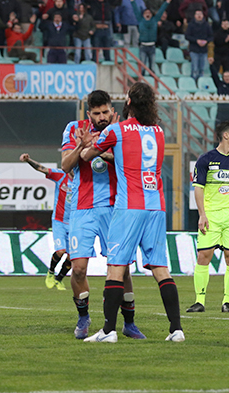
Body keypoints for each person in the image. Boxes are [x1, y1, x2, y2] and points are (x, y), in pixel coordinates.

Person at [78, 82, 184, 343]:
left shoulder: (117, 130)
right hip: (156, 205)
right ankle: (176, 330)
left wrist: (87, 144)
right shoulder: (158, 131)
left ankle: (108, 331)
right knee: (161, 268)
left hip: (129, 206)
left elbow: (87, 156)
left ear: (128, 103)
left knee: (116, 267)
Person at [61, 90, 145, 340]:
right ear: (89, 114)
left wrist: (98, 148)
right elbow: (65, 165)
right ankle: (83, 316)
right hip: (82, 209)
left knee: (122, 268)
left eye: (105, 112)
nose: (102, 117)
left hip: (115, 208)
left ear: (112, 110)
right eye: (96, 113)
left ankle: (129, 322)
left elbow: (130, 164)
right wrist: (81, 145)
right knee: (78, 269)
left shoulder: (122, 131)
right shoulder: (75, 128)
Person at [188, 120, 229, 314]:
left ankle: (227, 302)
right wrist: (202, 214)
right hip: (211, 216)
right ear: (226, 135)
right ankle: (199, 301)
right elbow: (198, 188)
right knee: (204, 256)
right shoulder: (206, 160)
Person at [19, 153, 72, 290]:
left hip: (75, 223)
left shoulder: (83, 179)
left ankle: (59, 279)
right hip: (59, 221)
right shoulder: (60, 175)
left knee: (73, 256)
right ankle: (51, 272)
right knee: (61, 251)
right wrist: (28, 160)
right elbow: (41, 168)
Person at [134, 0, 169, 73]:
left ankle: (152, 79)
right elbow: (135, 10)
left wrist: (167, 2)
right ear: (143, 14)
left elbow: (161, 11)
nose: (148, 14)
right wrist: (132, 1)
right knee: (142, 67)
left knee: (152, 68)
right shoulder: (140, 20)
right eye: (146, 13)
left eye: (149, 13)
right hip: (143, 46)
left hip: (152, 46)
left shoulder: (154, 20)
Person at [186, 10, 212, 82]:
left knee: (202, 69)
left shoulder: (206, 25)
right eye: (197, 14)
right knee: (195, 69)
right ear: (195, 16)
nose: (199, 16)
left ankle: (200, 83)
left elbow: (211, 36)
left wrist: (206, 41)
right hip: (194, 50)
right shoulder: (191, 25)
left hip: (204, 50)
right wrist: (196, 41)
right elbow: (187, 36)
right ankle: (193, 83)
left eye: (200, 14)